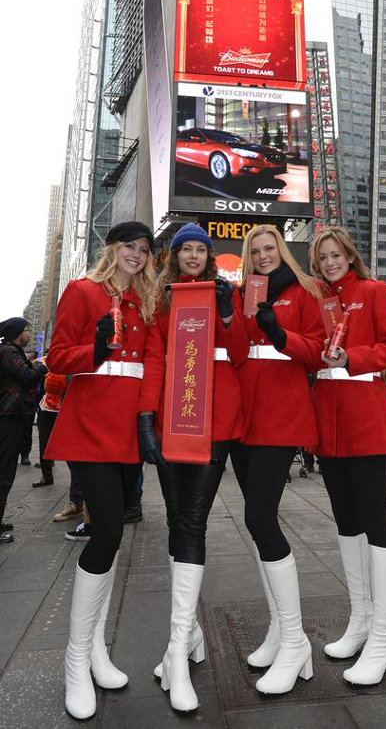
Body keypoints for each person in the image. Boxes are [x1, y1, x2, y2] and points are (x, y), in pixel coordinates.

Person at [44, 220, 160, 720]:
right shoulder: (82, 290)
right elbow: (56, 356)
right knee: (107, 528)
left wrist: (148, 418)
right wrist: (92, 350)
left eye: (143, 249)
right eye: (129, 247)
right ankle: (76, 660)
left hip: (127, 429)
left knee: (113, 536)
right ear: (111, 249)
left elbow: (152, 363)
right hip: (91, 423)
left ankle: (94, 649)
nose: (136, 255)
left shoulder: (146, 300)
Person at [141, 223, 248, 712]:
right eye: (185, 247)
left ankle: (176, 652)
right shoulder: (160, 300)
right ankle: (189, 635)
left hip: (215, 423)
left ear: (209, 255)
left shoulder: (227, 293)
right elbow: (156, 361)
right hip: (172, 423)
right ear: (174, 254)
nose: (192, 254)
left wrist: (228, 313)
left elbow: (242, 354)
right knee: (177, 516)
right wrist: (146, 417)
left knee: (193, 520)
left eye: (200, 248)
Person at [308, 225, 386, 686]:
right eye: (322, 258)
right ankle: (361, 621)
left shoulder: (374, 291)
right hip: (328, 422)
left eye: (336, 255)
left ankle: (385, 634)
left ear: (350, 255)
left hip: (367, 417)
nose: (330, 263)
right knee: (346, 521)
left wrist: (350, 357)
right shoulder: (317, 301)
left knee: (374, 519)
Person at [231, 224, 324, 696]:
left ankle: (294, 639)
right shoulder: (247, 291)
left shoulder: (304, 290)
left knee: (260, 518)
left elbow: (319, 353)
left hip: (281, 419)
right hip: (246, 419)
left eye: (271, 249)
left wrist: (279, 333)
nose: (264, 256)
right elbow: (237, 352)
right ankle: (278, 629)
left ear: (282, 251)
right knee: (257, 522)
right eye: (257, 251)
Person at [0, 318, 46, 543]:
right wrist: (41, 365)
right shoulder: (9, 351)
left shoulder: (11, 351)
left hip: (12, 415)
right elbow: (27, 376)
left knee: (6, 471)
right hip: (9, 416)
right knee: (4, 473)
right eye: (27, 330)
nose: (29, 333)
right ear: (18, 333)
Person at [32, 371, 68, 487]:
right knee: (44, 443)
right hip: (48, 408)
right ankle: (47, 476)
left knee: (69, 447)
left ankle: (78, 482)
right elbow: (49, 386)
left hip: (64, 408)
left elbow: (52, 385)